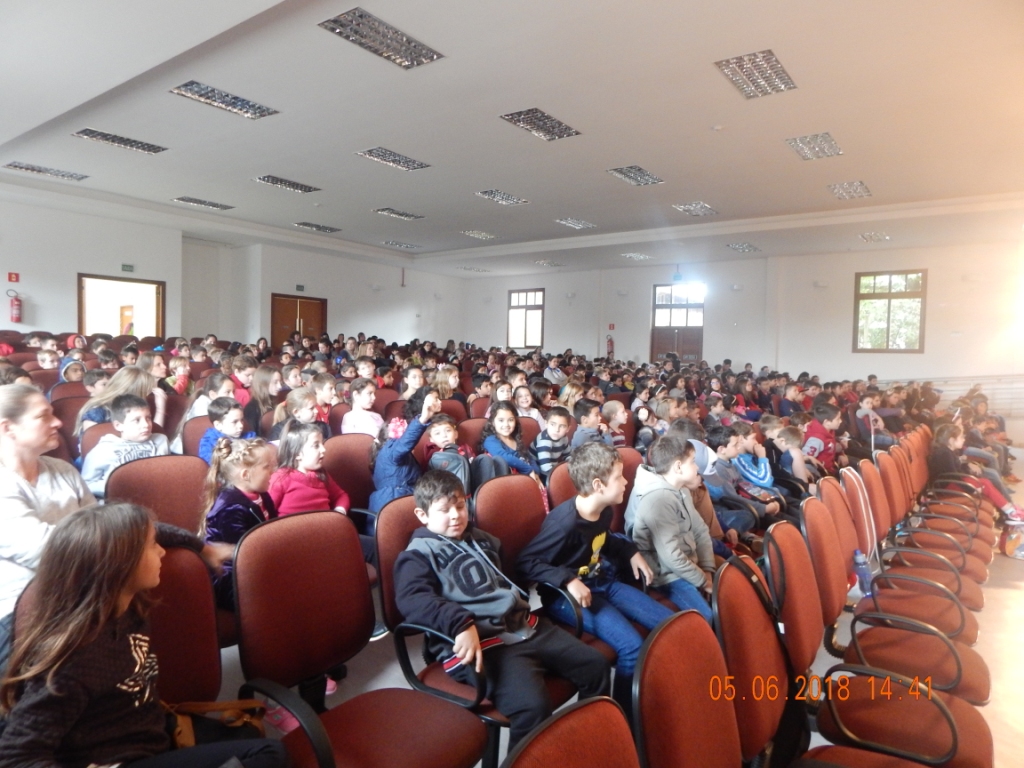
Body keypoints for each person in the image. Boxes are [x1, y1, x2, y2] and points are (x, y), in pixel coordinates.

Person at [0, 502, 288, 768]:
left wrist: (203, 547)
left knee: (253, 737)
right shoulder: (75, 661)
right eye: (152, 546)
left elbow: (157, 531)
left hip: (149, 730)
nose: (162, 550)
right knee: (267, 755)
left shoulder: (125, 602)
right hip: (118, 758)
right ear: (119, 564)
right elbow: (17, 756)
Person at [394, 470, 609, 748]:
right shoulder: (416, 555)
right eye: (444, 510)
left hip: (524, 626)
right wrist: (460, 623)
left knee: (596, 666)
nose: (456, 515)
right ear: (423, 516)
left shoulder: (484, 540)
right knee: (532, 707)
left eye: (460, 506)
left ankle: (591, 744)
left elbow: (504, 584)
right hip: (481, 644)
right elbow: (412, 600)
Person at [516, 443, 673, 720]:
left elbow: (604, 541)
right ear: (599, 485)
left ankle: (654, 693)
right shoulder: (564, 524)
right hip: (566, 596)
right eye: (619, 477)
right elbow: (526, 562)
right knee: (632, 648)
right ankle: (623, 717)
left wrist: (630, 551)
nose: (626, 481)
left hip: (601, 581)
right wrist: (567, 580)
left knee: (668, 624)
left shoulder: (605, 510)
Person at [629, 436, 714, 622]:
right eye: (692, 462)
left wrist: (707, 569)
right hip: (666, 574)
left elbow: (700, 530)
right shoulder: (658, 499)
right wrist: (703, 580)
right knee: (706, 616)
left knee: (729, 586)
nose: (697, 467)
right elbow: (671, 557)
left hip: (686, 561)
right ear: (677, 467)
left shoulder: (680, 489)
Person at [202, 437, 277, 610]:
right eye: (267, 467)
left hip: (259, 563)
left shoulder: (262, 495)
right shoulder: (230, 507)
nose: (272, 471)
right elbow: (241, 552)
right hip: (231, 576)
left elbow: (273, 528)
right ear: (245, 475)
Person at [81, 395, 170, 498]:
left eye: (148, 418)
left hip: (157, 496)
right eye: (137, 420)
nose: (146, 424)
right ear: (119, 426)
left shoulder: (161, 441)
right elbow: (86, 485)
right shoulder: (103, 451)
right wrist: (118, 486)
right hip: (120, 502)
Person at [369, 387, 441, 514]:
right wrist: (423, 418)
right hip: (393, 508)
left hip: (402, 502)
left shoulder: (399, 455)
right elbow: (406, 442)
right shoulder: (391, 451)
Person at [929, 423, 1022, 521]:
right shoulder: (944, 453)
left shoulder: (948, 451)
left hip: (953, 482)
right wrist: (970, 489)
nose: (964, 439)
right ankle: (1010, 512)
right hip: (948, 486)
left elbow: (954, 468)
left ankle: (1007, 511)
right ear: (951, 440)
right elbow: (953, 476)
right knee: (985, 484)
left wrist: (967, 466)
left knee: (986, 481)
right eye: (961, 437)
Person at [75, 367, 166, 438]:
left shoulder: (134, 409)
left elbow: (153, 436)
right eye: (144, 392)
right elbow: (91, 443)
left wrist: (160, 409)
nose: (146, 397)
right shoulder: (97, 411)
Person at [169, 373, 235, 454]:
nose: (233, 396)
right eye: (228, 392)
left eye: (233, 392)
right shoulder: (201, 407)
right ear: (213, 394)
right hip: (183, 454)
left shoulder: (217, 406)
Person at [482, 402, 541, 481]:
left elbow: (529, 458)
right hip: (509, 483)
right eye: (501, 420)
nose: (506, 424)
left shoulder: (517, 441)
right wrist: (529, 470)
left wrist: (535, 472)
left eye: (510, 420)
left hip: (528, 479)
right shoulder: (491, 440)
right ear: (492, 422)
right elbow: (504, 457)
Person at [198, 397, 255, 464]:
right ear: (218, 425)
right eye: (234, 422)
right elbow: (214, 465)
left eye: (242, 420)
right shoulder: (208, 443)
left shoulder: (250, 437)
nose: (241, 425)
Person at [530, 406, 572, 481]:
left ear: (568, 429)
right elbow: (545, 467)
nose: (557, 430)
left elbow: (568, 454)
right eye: (553, 424)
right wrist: (559, 476)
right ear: (546, 424)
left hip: (552, 466)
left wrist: (571, 465)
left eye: (562, 426)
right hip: (539, 469)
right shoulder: (544, 442)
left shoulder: (564, 438)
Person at [242, 365, 283, 435]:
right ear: (263, 383)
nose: (280, 387)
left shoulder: (278, 400)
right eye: (275, 382)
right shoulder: (252, 409)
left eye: (280, 382)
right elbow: (253, 436)